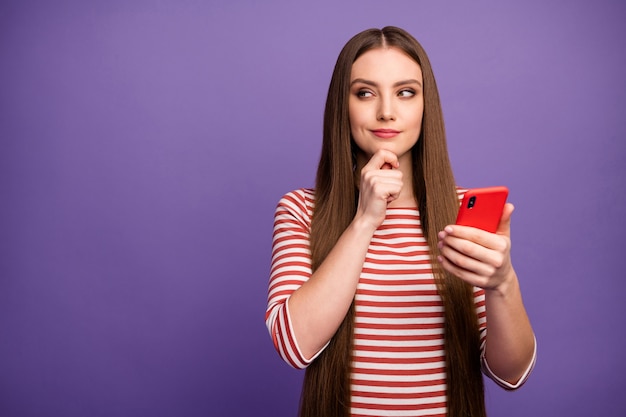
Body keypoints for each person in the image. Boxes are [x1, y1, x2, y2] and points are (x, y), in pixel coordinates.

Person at [265, 26, 536, 417]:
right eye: (365, 92)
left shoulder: (462, 212)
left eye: (405, 92)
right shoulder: (301, 210)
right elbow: (293, 347)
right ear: (342, 105)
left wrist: (502, 284)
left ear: (427, 105)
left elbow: (512, 374)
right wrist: (364, 220)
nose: (386, 111)